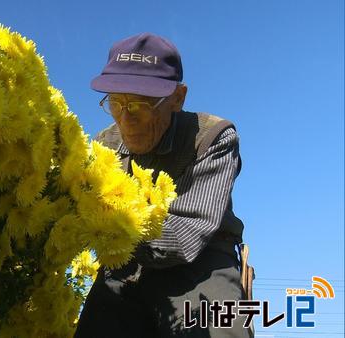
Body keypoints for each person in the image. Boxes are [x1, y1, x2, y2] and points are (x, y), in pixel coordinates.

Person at [74, 33, 253, 337]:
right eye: (117, 103)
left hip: (202, 262)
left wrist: (105, 229)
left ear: (177, 98)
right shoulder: (104, 145)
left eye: (140, 105)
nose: (126, 119)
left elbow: (187, 234)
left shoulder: (214, 137)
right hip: (125, 262)